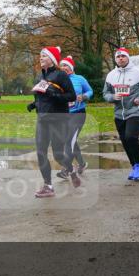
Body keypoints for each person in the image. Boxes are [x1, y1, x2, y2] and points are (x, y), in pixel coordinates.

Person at [26, 47, 78, 197]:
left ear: (52, 59)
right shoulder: (38, 77)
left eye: (44, 56)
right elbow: (41, 98)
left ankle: (71, 169)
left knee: (58, 155)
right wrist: (34, 104)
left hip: (58, 119)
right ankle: (48, 186)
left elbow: (71, 96)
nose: (40, 58)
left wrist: (53, 93)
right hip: (42, 120)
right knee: (41, 152)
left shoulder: (61, 75)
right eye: (40, 55)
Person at [102, 48, 139, 181]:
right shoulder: (111, 75)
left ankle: (138, 164)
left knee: (130, 136)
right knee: (125, 140)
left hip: (135, 110)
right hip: (119, 112)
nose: (120, 58)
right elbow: (105, 93)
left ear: (127, 58)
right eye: (118, 57)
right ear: (115, 59)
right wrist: (112, 96)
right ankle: (134, 166)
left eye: (123, 56)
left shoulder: (138, 72)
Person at [57, 56, 93, 180]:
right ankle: (82, 164)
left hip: (78, 113)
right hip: (63, 115)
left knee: (68, 140)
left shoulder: (79, 79)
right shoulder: (58, 80)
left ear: (71, 67)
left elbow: (90, 91)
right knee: (72, 141)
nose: (63, 68)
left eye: (66, 65)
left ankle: (67, 169)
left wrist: (84, 96)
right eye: (61, 66)